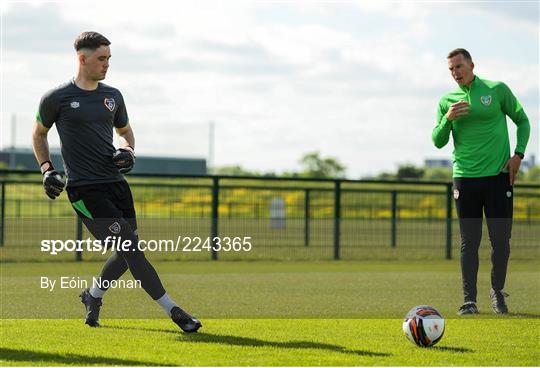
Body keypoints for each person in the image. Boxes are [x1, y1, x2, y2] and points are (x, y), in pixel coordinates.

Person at [31, 31, 202, 332]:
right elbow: (38, 133)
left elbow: (125, 131)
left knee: (127, 251)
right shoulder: (56, 98)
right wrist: (47, 168)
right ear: (82, 59)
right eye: (101, 58)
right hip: (85, 189)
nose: (106, 64)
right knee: (131, 248)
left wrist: (128, 149)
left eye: (109, 59)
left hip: (117, 185)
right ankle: (174, 310)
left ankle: (92, 295)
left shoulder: (113, 96)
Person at [432, 48, 530, 315]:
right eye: (451, 69)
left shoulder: (496, 90)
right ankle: (469, 301)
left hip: (498, 178)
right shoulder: (446, 101)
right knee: (469, 242)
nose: (456, 73)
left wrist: (518, 155)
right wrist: (447, 119)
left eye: (459, 67)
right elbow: (438, 141)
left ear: (472, 65)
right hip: (465, 179)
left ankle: (497, 293)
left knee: (501, 241)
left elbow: (523, 121)